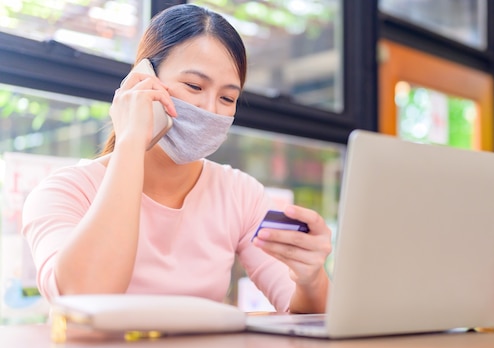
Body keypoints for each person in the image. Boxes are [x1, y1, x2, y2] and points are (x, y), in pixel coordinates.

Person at [21, 4, 331, 314]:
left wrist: (310, 277)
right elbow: (83, 300)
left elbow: (305, 316)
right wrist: (131, 139)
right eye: (194, 86)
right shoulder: (63, 192)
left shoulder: (240, 194)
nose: (210, 108)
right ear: (143, 79)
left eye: (227, 98)